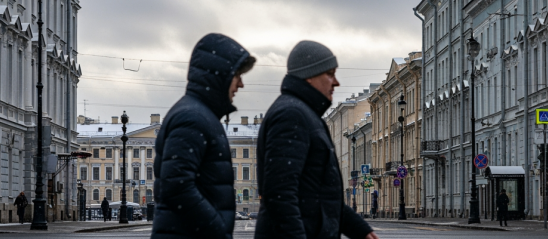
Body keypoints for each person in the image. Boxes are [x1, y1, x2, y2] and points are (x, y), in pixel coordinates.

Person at [255, 40, 378, 239]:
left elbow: (321, 196)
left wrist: (360, 229)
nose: (336, 82)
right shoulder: (291, 115)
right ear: (309, 75)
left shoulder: (305, 115)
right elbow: (280, 195)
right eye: (330, 74)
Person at [152, 33, 256, 239]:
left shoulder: (199, 115)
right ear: (220, 74)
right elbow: (178, 187)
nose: (241, 84)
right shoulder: (192, 118)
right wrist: (217, 229)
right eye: (237, 75)